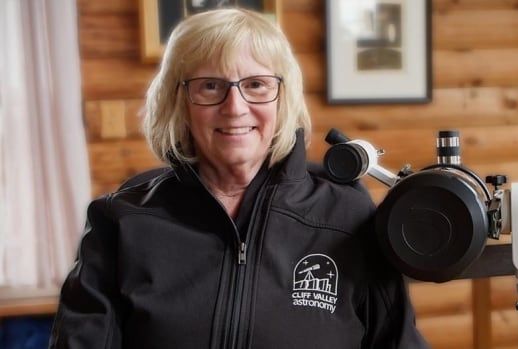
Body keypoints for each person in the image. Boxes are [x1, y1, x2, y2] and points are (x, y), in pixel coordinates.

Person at [49, 8, 429, 349]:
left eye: (256, 85)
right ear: (179, 102)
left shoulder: (345, 212)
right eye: (210, 86)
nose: (234, 108)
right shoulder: (122, 219)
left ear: (283, 99)